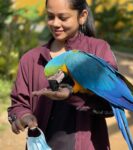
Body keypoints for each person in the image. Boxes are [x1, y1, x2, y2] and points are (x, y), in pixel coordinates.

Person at [8, 0, 118, 149]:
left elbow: (111, 106)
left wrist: (71, 95)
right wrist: (22, 116)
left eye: (63, 17)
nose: (55, 23)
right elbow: (19, 103)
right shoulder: (31, 59)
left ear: (82, 16)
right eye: (50, 16)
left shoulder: (98, 51)